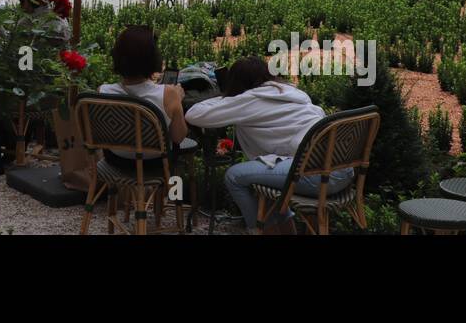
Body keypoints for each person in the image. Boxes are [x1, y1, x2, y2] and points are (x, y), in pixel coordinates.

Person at [184, 58, 350, 234]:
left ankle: (257, 230)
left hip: (317, 174)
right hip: (343, 169)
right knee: (267, 182)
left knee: (234, 176)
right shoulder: (291, 92)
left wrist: (225, 96)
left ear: (237, 83)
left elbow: (194, 114)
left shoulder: (249, 100)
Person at [98, 26, 189, 160]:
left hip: (116, 162)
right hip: (153, 167)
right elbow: (178, 137)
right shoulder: (168, 94)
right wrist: (178, 100)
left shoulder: (103, 91)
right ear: (153, 58)